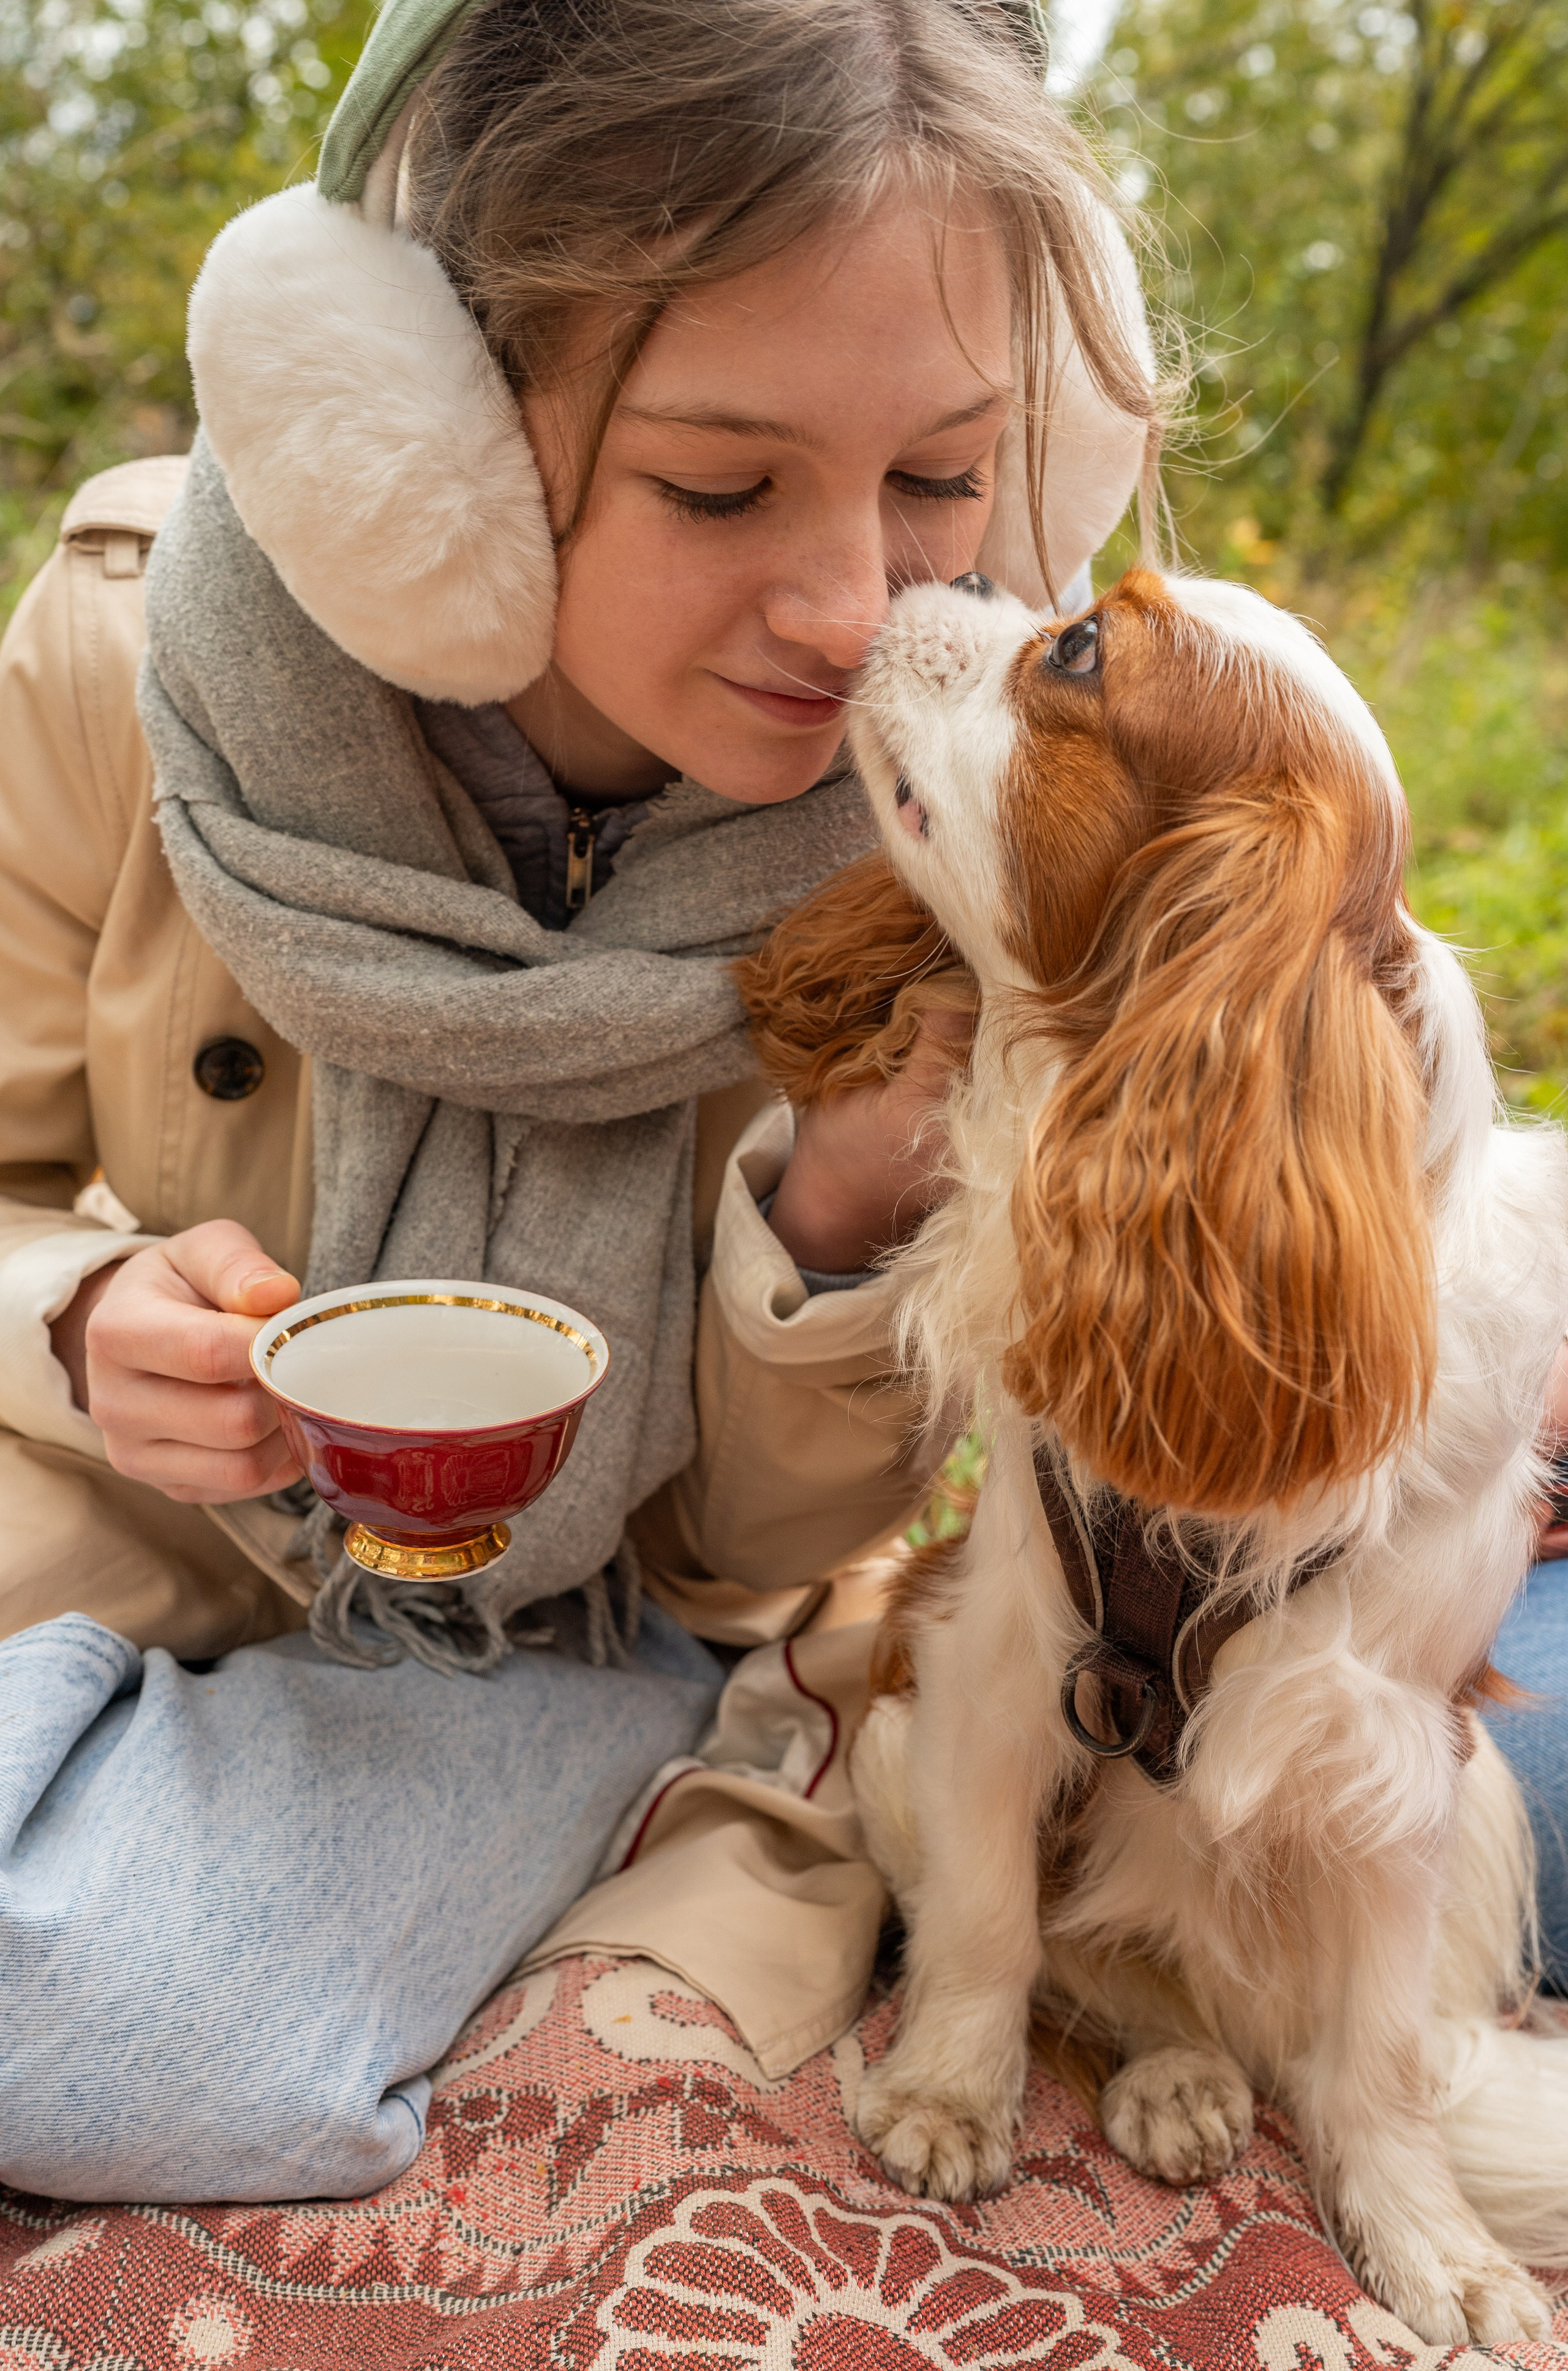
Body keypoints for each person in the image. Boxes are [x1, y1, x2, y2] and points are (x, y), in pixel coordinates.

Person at [0, 0, 1156, 2199]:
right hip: (137, 1534)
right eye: (721, 486)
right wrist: (73, 1325)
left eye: (943, 476)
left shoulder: (957, 829)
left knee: (96, 2018)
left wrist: (835, 1214)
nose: (856, 610)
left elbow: (748, 1552)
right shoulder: (117, 653)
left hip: (563, 1634)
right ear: (423, 437)